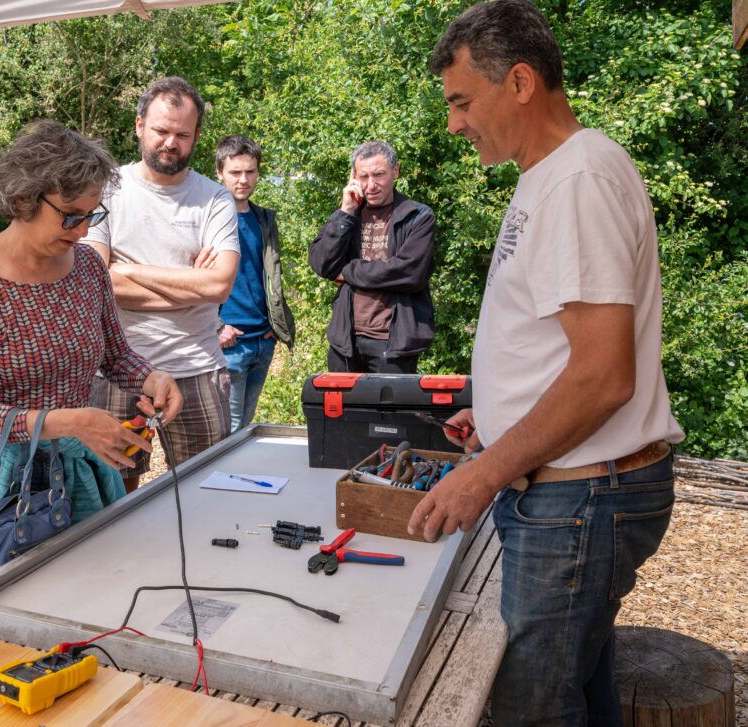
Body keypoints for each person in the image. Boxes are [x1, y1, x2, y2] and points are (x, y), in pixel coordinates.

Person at [409, 2, 685, 724]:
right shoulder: (554, 175)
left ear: (522, 82)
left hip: (581, 500)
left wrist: (485, 471)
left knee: (528, 706)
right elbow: (560, 350)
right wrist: (500, 412)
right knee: (578, 685)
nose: (454, 123)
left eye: (462, 101)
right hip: (575, 492)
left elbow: (603, 375)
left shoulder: (577, 181)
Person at [0, 120, 183, 557]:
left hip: (70, 463)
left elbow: (116, 356)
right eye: (71, 216)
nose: (81, 231)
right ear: (22, 199)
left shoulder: (88, 269)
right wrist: (70, 422)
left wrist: (153, 378)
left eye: (91, 216)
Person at [83, 76, 239, 490]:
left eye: (182, 134)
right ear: (138, 126)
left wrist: (128, 270)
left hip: (197, 369)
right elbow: (96, 281)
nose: (171, 142)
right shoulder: (105, 192)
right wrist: (191, 282)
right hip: (118, 372)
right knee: (113, 497)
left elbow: (220, 286)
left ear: (197, 136)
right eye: (161, 131)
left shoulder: (215, 199)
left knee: (207, 494)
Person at [308, 141, 436, 374]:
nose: (371, 185)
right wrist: (345, 211)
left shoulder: (417, 216)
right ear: (354, 177)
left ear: (395, 171)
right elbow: (321, 262)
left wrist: (347, 272)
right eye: (364, 176)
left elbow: (408, 273)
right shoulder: (349, 216)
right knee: (342, 410)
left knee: (392, 411)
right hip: (345, 339)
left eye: (379, 175)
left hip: (394, 342)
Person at [213, 135, 295, 432]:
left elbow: (270, 277)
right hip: (229, 341)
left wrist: (276, 326)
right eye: (235, 172)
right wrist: (216, 326)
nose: (244, 179)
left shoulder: (264, 220)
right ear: (219, 173)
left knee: (244, 427)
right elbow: (193, 277)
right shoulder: (208, 218)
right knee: (227, 430)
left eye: (250, 172)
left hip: (262, 339)